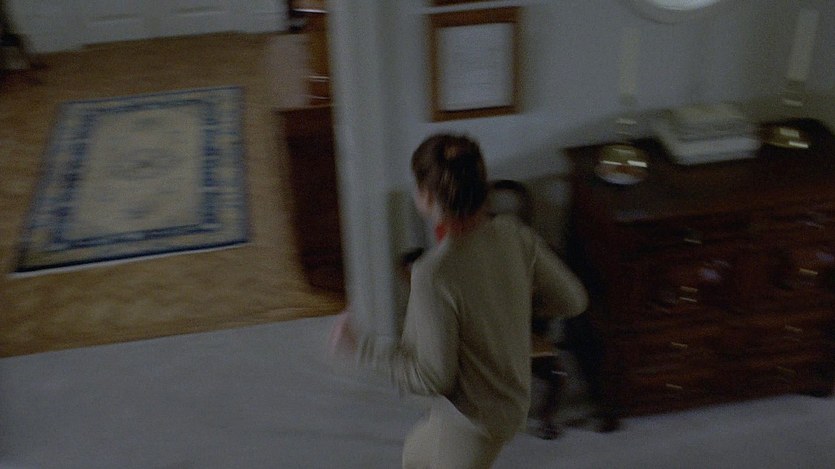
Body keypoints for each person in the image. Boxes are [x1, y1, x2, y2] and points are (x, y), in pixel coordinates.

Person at [329, 134, 589, 468]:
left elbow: (432, 377)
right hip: (507, 404)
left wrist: (362, 348)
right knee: (414, 456)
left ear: (426, 196)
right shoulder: (513, 232)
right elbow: (573, 299)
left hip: (472, 425)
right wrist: (512, 306)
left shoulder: (434, 274)